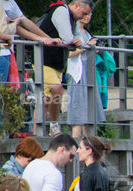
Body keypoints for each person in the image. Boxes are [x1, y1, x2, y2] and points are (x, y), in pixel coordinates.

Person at [37, 0, 91, 133]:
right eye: (84, 13)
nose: (83, 17)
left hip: (57, 62)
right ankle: (51, 126)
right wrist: (75, 41)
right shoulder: (61, 10)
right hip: (44, 59)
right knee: (56, 90)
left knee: (47, 98)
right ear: (76, 5)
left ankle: (42, 129)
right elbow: (67, 38)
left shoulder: (73, 17)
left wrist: (78, 40)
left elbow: (79, 38)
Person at [66, 11, 105, 138]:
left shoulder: (86, 32)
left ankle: (90, 143)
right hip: (77, 73)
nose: (87, 16)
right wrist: (86, 47)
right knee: (78, 108)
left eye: (90, 14)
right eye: (85, 13)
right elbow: (68, 54)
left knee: (90, 108)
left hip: (89, 73)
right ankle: (76, 142)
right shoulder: (72, 32)